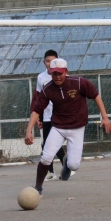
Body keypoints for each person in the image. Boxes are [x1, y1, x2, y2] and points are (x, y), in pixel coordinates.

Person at [24, 58, 111, 197]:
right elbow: (37, 110)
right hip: (58, 127)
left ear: (66, 72)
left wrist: (105, 117)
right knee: (46, 157)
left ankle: (67, 164)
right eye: (54, 74)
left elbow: (96, 96)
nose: (57, 77)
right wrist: (29, 130)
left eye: (60, 73)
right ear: (50, 73)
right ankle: (38, 188)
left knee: (74, 165)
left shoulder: (79, 83)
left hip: (77, 128)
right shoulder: (48, 89)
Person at [33, 49, 69, 181]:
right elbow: (38, 98)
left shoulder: (63, 76)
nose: (50, 63)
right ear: (44, 62)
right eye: (48, 61)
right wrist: (39, 117)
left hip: (60, 115)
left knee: (51, 143)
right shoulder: (41, 77)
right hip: (46, 116)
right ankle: (53, 171)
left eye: (53, 61)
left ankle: (64, 166)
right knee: (46, 144)